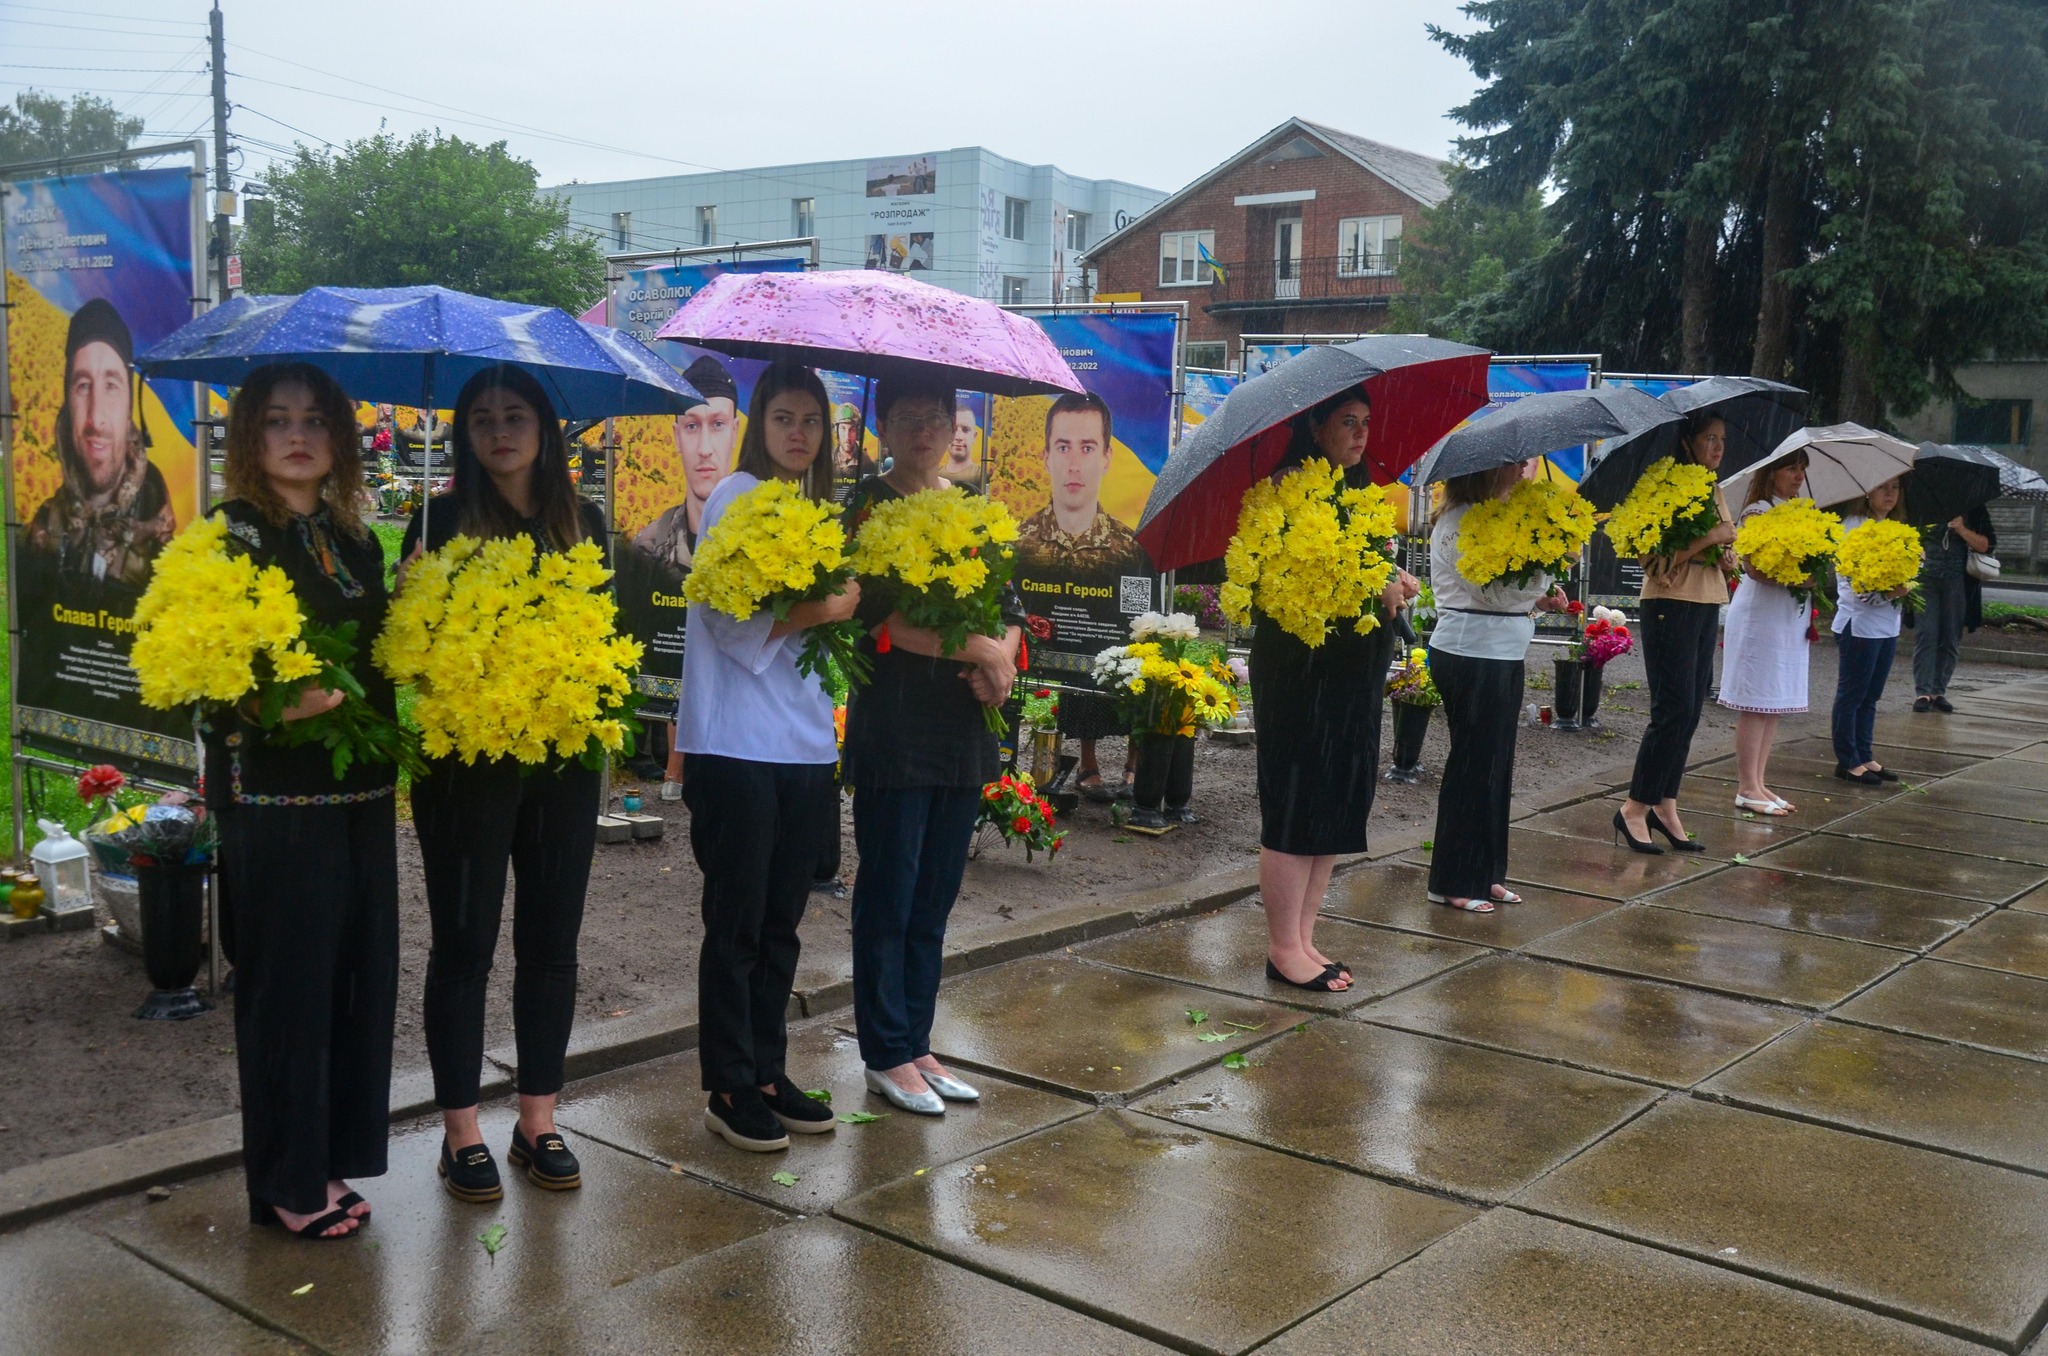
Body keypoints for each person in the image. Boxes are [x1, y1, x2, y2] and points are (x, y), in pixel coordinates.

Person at [397, 366, 608, 1203]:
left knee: (551, 946)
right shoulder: (437, 519)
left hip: (561, 762)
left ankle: (538, 1119)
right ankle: (460, 1133)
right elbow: (406, 650)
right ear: (463, 437)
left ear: (545, 431)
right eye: (480, 419)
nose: (498, 431)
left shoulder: (581, 522)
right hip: (465, 766)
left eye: (514, 416)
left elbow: (608, 633)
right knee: (464, 945)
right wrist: (408, 597)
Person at [203, 362, 398, 1240]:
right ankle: (285, 1179)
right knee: (287, 988)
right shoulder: (230, 535)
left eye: (316, 421)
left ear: (341, 440)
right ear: (250, 435)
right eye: (277, 419)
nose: (297, 435)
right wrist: (268, 700)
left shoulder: (357, 539)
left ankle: (323, 1156)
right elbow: (193, 666)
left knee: (352, 982)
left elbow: (375, 654)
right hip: (274, 800)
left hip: (357, 792)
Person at [679, 363, 856, 1153]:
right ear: (760, 421)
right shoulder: (736, 496)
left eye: (811, 422)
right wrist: (823, 607)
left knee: (784, 919)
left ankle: (768, 1070)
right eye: (784, 417)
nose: (797, 433)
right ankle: (727, 1081)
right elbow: (726, 618)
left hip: (803, 741)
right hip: (736, 740)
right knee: (739, 921)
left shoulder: (819, 510)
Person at [842, 377, 1023, 1113]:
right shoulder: (863, 506)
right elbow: (868, 619)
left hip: (961, 730)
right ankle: (884, 1050)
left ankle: (918, 1039)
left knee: (937, 893)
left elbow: (1012, 608)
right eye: (909, 416)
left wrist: (1000, 664)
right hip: (896, 725)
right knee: (890, 889)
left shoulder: (973, 506)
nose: (925, 430)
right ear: (883, 424)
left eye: (938, 418)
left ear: (958, 427)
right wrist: (978, 646)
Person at [1252, 389, 1416, 987]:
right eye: (1348, 422)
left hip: (1352, 670)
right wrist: (1373, 587)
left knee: (1334, 806)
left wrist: (1391, 578)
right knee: (1298, 804)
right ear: (1315, 426)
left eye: (1367, 423)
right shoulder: (1284, 492)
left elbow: (1358, 569)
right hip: (1302, 672)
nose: (1361, 434)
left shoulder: (1355, 492)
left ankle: (1304, 939)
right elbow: (1293, 582)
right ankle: (1281, 948)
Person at [1427, 461, 1570, 911]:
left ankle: (1486, 872)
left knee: (1497, 765)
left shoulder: (1502, 518)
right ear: (1486, 469)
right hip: (1469, 652)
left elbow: (1513, 593)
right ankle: (1451, 879)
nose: (1524, 468)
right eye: (1515, 462)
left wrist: (1543, 591)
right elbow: (1488, 591)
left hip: (1505, 652)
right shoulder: (1457, 522)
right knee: (1472, 763)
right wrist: (1540, 580)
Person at [1015, 393, 1152, 803]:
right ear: (1046, 456)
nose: (1074, 463)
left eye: (1087, 448)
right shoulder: (1019, 543)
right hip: (1058, 641)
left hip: (1112, 632)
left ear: (1107, 458)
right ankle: (1087, 764)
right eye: (1063, 447)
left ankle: (1134, 763)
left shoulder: (1132, 549)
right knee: (1077, 669)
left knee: (1133, 663)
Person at [1613, 413, 1737, 853]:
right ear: (1687, 442)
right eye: (1710, 439)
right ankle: (1633, 807)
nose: (1719, 448)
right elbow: (1656, 563)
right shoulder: (1662, 490)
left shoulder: (1714, 488)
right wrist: (1709, 538)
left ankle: (1665, 802)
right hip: (1670, 603)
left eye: (1723, 439)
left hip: (1705, 603)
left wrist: (1727, 555)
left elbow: (1725, 546)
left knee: (1690, 710)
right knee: (1671, 707)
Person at [25, 298, 176, 586]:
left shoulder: (161, 531)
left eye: (111, 385)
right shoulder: (41, 531)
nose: (96, 418)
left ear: (130, 403)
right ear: (67, 402)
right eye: (83, 386)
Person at [1718, 451, 1814, 814]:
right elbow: (1754, 568)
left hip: (1787, 615)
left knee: (1772, 703)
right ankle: (1746, 786)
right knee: (1756, 702)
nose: (1799, 475)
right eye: (1792, 468)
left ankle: (1759, 781)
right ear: (1772, 472)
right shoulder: (1757, 510)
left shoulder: (1799, 511)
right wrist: (1799, 577)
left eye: (1802, 469)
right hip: (1761, 614)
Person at [630, 355, 740, 586]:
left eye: (718, 424)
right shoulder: (649, 547)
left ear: (735, 432)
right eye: (692, 426)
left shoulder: (762, 544)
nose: (705, 449)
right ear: (676, 436)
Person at [1833, 477, 1911, 784]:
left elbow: (1904, 577)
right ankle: (1847, 759)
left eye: (1896, 487)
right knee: (1852, 695)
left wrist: (1911, 569)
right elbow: (1857, 584)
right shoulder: (1853, 526)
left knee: (1871, 696)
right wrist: (1894, 591)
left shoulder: (1894, 526)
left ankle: (1865, 754)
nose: (1891, 494)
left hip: (1887, 626)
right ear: (1867, 491)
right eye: (1883, 487)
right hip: (1859, 624)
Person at [1913, 505, 1993, 713]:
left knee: (1950, 637)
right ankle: (1923, 692)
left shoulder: (1974, 508)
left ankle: (1939, 691)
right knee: (1926, 634)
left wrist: (1962, 529)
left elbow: (1986, 545)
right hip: (1925, 581)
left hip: (1957, 582)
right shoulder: (1921, 502)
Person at [940, 399, 982, 484]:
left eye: (965, 430)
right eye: (953, 429)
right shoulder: (934, 476)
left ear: (974, 436)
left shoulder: (982, 476)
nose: (958, 437)